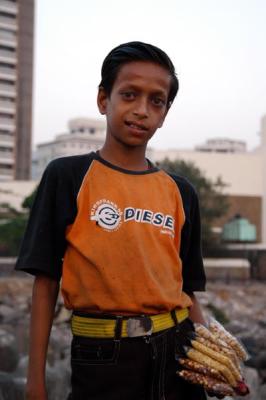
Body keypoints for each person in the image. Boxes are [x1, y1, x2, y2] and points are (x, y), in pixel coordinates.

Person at [15, 41, 208, 400]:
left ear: (165, 113)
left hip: (178, 351)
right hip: (103, 356)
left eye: (156, 101)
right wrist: (35, 382)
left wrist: (213, 355)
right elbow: (45, 282)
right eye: (130, 94)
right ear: (104, 100)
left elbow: (188, 290)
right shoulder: (68, 176)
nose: (142, 110)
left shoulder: (181, 192)